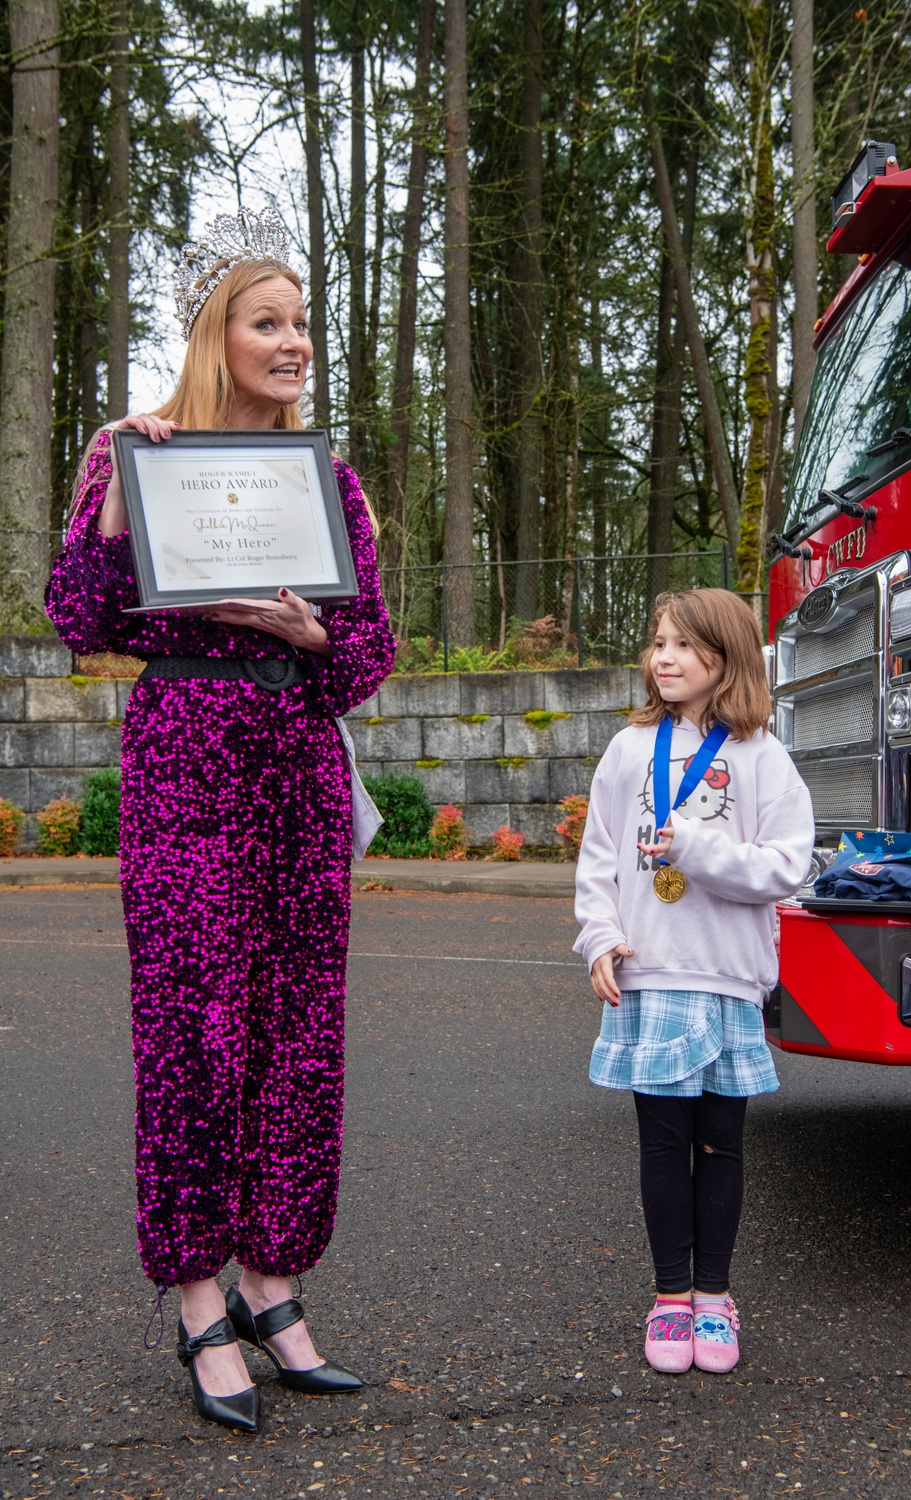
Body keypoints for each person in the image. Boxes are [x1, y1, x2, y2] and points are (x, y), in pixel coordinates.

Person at [46, 207, 396, 1433]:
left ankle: (275, 1283)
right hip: (185, 753)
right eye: (269, 322)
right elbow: (80, 619)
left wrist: (312, 636)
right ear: (217, 335)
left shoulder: (328, 482)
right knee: (193, 1025)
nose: (294, 341)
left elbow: (367, 657)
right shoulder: (134, 460)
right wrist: (110, 489)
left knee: (302, 1026)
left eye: (302, 323)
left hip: (294, 758)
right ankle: (198, 1297)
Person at [573, 589, 813, 1375]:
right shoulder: (628, 749)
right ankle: (671, 1296)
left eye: (684, 645)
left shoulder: (762, 756)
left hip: (727, 978)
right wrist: (601, 936)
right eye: (658, 642)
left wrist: (698, 848)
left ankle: (716, 1299)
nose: (664, 658)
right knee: (662, 1143)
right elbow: (600, 858)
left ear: (727, 657)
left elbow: (787, 866)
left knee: (723, 1144)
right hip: (650, 975)